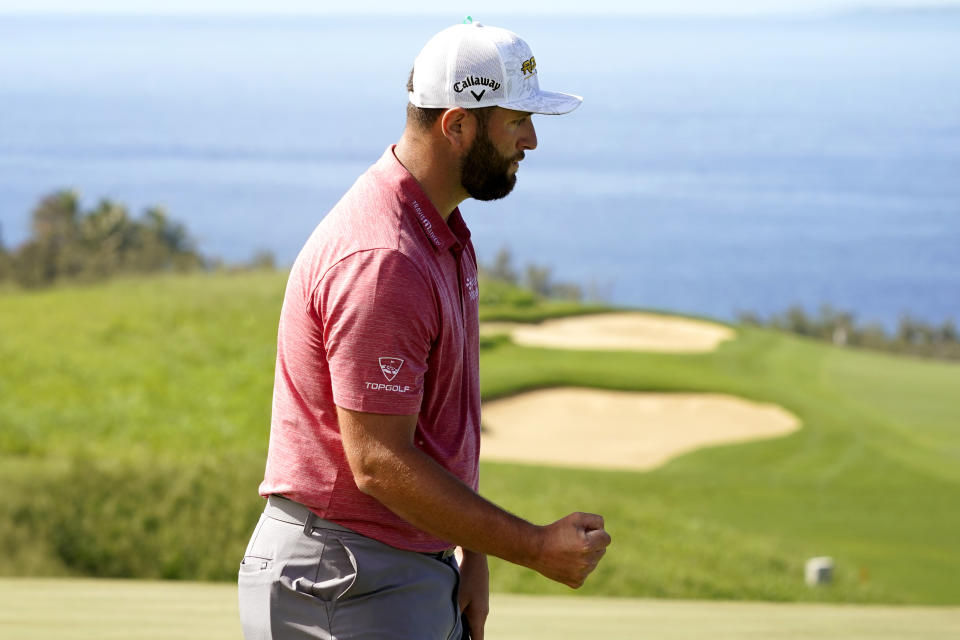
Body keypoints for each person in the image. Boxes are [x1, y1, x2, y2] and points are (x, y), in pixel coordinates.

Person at [237, 20, 611, 640]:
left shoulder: (440, 231)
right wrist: (534, 547)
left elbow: (438, 431)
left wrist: (474, 554)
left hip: (392, 568)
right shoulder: (386, 259)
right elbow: (379, 462)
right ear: (457, 125)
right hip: (345, 577)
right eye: (517, 120)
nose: (533, 140)